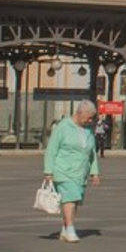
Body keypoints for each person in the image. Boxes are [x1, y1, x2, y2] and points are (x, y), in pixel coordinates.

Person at [43, 101, 101, 243]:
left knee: (75, 199)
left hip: (80, 171)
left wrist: (95, 172)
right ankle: (70, 229)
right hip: (63, 170)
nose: (90, 121)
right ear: (80, 113)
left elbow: (91, 152)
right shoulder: (62, 127)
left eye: (92, 118)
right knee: (69, 198)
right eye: (88, 117)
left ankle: (65, 228)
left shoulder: (88, 131)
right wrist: (48, 171)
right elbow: (51, 149)